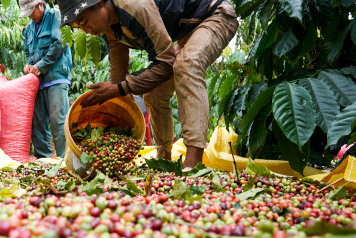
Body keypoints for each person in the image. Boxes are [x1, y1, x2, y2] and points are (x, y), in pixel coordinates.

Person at [57, 0, 238, 168]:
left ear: (100, 3)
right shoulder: (111, 27)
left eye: (84, 21)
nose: (87, 30)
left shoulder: (135, 6)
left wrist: (120, 88)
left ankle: (194, 160)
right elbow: (119, 68)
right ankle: (163, 158)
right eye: (80, 27)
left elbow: (165, 63)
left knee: (187, 63)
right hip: (188, 31)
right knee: (153, 93)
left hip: (215, 15)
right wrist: (115, 99)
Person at [19, 0, 73, 159]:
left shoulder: (55, 15)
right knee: (38, 122)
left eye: (31, 12)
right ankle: (43, 160)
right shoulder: (29, 28)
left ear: (40, 5)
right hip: (37, 82)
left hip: (56, 78)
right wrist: (28, 66)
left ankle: (65, 159)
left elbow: (60, 42)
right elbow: (28, 52)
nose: (30, 17)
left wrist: (42, 65)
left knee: (58, 120)